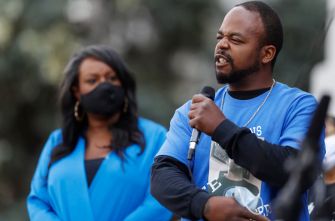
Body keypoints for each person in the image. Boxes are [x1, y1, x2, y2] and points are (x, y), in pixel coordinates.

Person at [151, 1, 325, 221]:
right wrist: (205, 206)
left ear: (267, 54)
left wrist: (222, 129)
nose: (222, 45)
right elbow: (163, 176)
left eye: (235, 39)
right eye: (220, 37)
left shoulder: (299, 106)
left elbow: (295, 170)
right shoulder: (194, 110)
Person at [27, 45, 172, 221]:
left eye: (111, 78)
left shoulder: (154, 137)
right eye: (92, 80)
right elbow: (37, 201)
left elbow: (163, 197)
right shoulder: (58, 141)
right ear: (77, 92)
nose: (104, 86)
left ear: (123, 85)